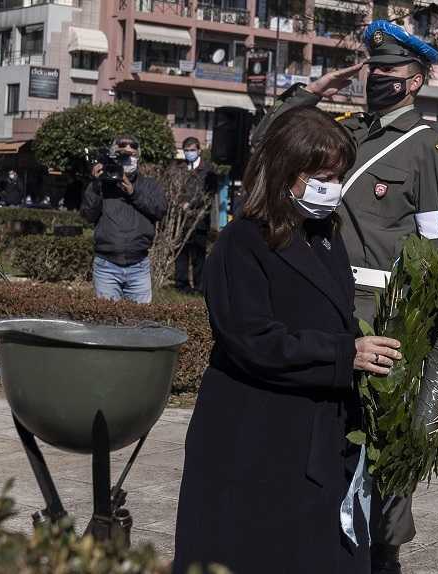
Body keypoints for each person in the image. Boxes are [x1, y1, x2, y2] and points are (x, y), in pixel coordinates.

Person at [251, 20, 438, 573]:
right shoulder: (348, 133)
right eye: (372, 69)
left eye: (388, 71)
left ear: (414, 82)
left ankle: (384, 554)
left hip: (381, 316)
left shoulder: (429, 146)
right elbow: (267, 141)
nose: (376, 78)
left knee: (381, 447)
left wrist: (436, 340)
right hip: (323, 306)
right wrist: (313, 93)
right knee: (323, 440)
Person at [173, 105, 402, 574]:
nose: (332, 187)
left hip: (316, 429)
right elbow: (252, 339)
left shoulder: (323, 234)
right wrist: (345, 354)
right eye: (322, 175)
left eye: (338, 175)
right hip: (256, 436)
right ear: (285, 170)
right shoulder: (242, 242)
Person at [80, 134, 167, 303]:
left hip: (139, 265)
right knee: (108, 322)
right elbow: (88, 214)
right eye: (123, 155)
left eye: (132, 155)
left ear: (138, 157)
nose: (128, 158)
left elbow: (160, 210)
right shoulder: (102, 184)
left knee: (140, 323)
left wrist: (133, 193)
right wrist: (96, 184)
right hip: (106, 266)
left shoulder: (149, 185)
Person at [174, 137, 218, 294]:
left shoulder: (208, 170)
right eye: (186, 150)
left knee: (199, 255)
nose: (189, 153)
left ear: (199, 150)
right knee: (181, 255)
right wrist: (180, 203)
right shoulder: (179, 169)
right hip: (181, 221)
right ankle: (181, 285)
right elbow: (174, 190)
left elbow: (209, 192)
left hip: (199, 220)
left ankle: (200, 286)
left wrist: (191, 205)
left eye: (192, 150)